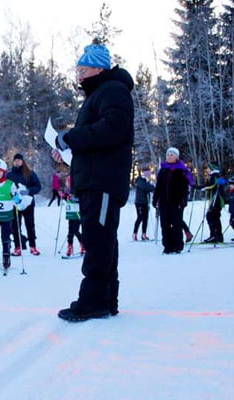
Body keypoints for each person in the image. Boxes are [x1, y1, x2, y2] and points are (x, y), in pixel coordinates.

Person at [52, 40, 134, 322]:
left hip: (103, 182)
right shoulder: (99, 94)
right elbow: (96, 138)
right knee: (102, 239)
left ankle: (93, 301)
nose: (79, 75)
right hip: (94, 180)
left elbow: (112, 129)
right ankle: (106, 299)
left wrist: (72, 137)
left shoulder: (112, 91)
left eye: (83, 69)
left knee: (98, 242)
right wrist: (67, 149)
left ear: (98, 69)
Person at [152, 147, 190, 254]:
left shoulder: (181, 170)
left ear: (176, 157)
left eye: (172, 155)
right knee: (165, 224)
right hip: (164, 201)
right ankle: (167, 246)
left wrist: (183, 200)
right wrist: (155, 199)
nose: (169, 156)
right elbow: (158, 186)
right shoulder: (163, 170)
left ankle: (177, 246)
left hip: (176, 201)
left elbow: (185, 187)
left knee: (176, 224)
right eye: (168, 155)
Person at [7, 153, 42, 256]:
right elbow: (5, 188)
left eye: (19, 160)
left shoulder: (29, 173)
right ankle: (17, 247)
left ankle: (33, 246)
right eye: (15, 160)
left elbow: (38, 186)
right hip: (15, 203)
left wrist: (28, 191)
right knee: (15, 225)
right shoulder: (9, 175)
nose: (17, 162)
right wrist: (12, 196)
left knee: (30, 224)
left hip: (28, 203)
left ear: (22, 162)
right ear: (13, 162)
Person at [201, 163, 227, 243]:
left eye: (208, 168)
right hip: (216, 200)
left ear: (212, 168)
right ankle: (218, 236)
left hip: (216, 200)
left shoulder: (214, 175)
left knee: (211, 217)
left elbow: (213, 186)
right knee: (215, 217)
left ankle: (215, 236)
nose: (207, 169)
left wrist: (204, 188)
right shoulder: (215, 175)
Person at [63, 175, 84, 257]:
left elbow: (80, 199)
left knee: (75, 230)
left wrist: (71, 198)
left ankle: (83, 243)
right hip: (70, 212)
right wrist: (64, 197)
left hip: (78, 212)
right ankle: (70, 246)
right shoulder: (67, 190)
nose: (66, 184)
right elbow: (67, 199)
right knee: (70, 231)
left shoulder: (77, 190)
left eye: (67, 182)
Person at [132, 167, 155, 241]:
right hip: (139, 202)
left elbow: (149, 188)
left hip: (145, 202)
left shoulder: (146, 181)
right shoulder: (140, 180)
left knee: (145, 218)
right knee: (140, 217)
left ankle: (144, 233)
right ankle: (135, 233)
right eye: (147, 173)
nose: (148, 174)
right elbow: (146, 187)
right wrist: (153, 188)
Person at [227, 175, 234, 241]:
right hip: (233, 210)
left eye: (231, 184)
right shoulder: (232, 192)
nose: (230, 186)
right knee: (232, 222)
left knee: (233, 222)